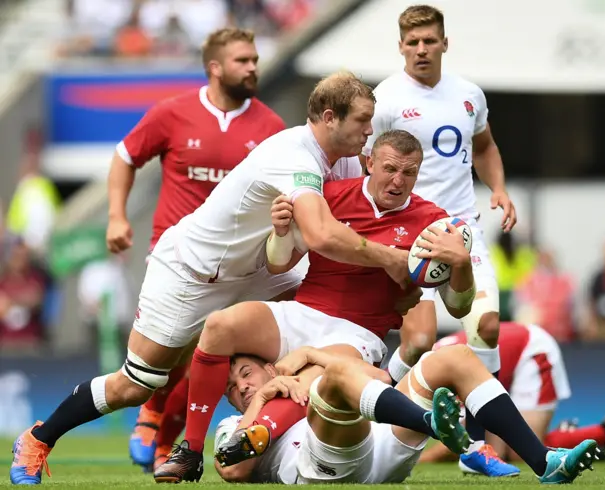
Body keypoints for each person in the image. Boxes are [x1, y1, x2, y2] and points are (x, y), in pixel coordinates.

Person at [9, 71, 411, 486]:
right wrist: (392, 258)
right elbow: (323, 235)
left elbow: (351, 224)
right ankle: (39, 438)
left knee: (336, 313)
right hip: (192, 272)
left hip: (259, 270)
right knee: (136, 385)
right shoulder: (296, 154)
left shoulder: (344, 159)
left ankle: (206, 443)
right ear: (330, 117)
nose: (369, 129)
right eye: (363, 120)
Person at [154, 129, 474, 482]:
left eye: (409, 173)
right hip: (304, 310)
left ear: (418, 173)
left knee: (309, 381)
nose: (398, 180)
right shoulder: (330, 196)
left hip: (358, 332)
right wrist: (279, 231)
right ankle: (192, 450)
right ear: (369, 163)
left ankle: (258, 435)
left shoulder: (433, 222)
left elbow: (458, 307)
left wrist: (462, 265)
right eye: (389, 169)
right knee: (218, 325)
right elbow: (279, 263)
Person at [105, 26, 287, 470]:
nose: (252, 67)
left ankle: (165, 433)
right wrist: (116, 214)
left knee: (213, 357)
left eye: (254, 60)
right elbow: (126, 157)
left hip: (241, 263)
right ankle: (154, 413)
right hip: (178, 255)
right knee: (173, 355)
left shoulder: (270, 127)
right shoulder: (172, 113)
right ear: (215, 67)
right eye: (242, 60)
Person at [362, 4, 519, 476]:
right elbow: (365, 161)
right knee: (418, 342)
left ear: (444, 43)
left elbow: (485, 146)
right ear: (401, 47)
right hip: (411, 237)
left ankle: (482, 448)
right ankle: (371, 411)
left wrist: (500, 188)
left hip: (462, 232)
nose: (422, 49)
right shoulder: (386, 98)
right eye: (413, 42)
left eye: (430, 41)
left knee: (487, 327)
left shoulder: (469, 95)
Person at [213, 344, 599, 485]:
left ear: (269, 365)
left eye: (246, 374)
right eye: (232, 388)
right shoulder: (234, 425)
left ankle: (545, 461)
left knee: (454, 357)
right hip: (325, 468)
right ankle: (435, 425)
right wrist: (263, 399)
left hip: (383, 445)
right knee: (334, 379)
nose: (241, 386)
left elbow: (379, 378)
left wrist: (312, 356)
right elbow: (232, 469)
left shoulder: (303, 375)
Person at [420, 322, 605, 464]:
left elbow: (462, 438)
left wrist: (423, 459)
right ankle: (573, 437)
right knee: (507, 450)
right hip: (506, 363)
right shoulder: (431, 364)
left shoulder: (442, 373)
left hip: (531, 350)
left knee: (521, 452)